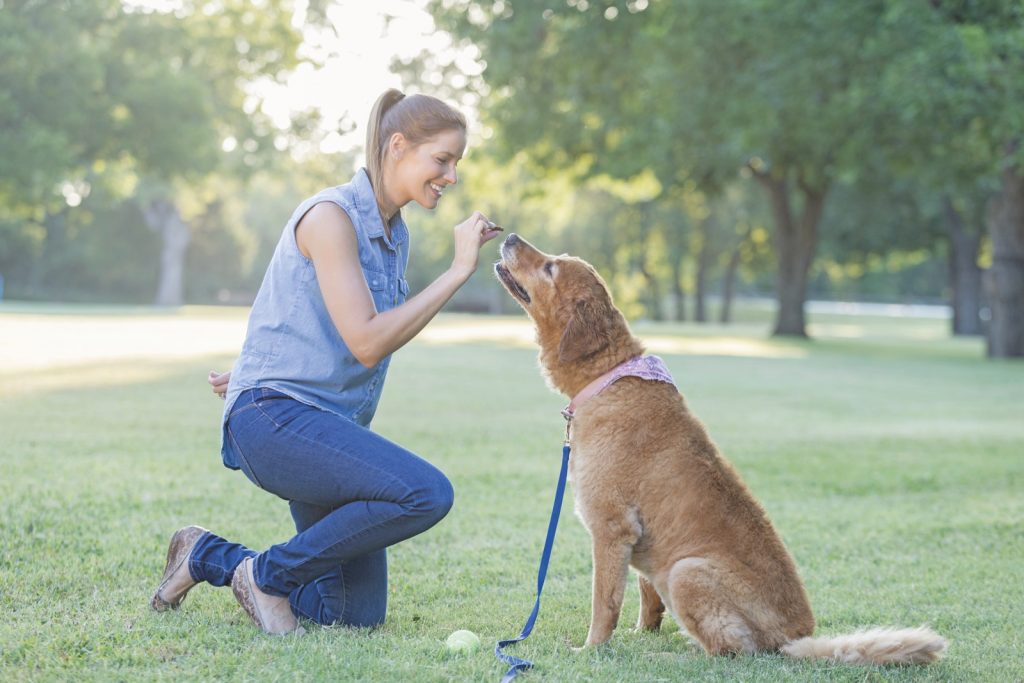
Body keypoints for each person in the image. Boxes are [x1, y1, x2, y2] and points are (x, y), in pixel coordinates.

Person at [150, 89, 502, 634]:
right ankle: (267, 579)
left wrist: (257, 366)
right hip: (275, 420)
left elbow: (314, 318)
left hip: (318, 425)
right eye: (443, 159)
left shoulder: (393, 236)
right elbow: (365, 340)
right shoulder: (330, 216)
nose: (451, 176)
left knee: (349, 615)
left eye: (456, 163)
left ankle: (206, 555)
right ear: (398, 146)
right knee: (426, 493)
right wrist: (457, 272)